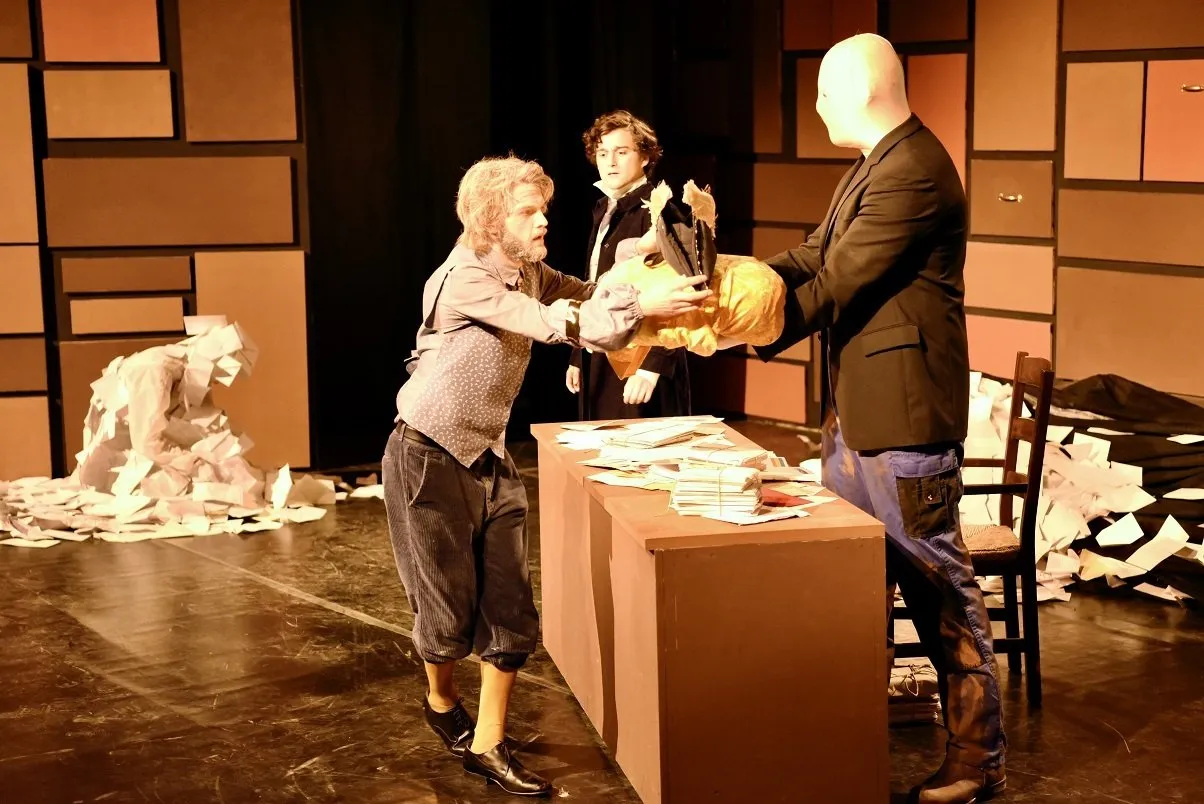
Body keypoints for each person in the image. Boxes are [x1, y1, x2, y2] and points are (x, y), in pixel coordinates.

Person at [383, 155, 709, 797]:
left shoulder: (528, 270)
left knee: (508, 604)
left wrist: (642, 255)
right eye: (528, 213)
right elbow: (556, 324)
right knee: (446, 612)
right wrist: (641, 301)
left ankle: (489, 743)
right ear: (489, 221)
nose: (542, 223)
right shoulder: (464, 279)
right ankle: (441, 701)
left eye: (543, 211)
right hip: (427, 455)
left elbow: (587, 296)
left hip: (488, 454)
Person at [749, 34, 1007, 804]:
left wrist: (742, 325)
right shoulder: (875, 164)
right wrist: (735, 280)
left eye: (824, 92)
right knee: (855, 588)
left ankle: (977, 761)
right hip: (860, 417)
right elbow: (812, 255)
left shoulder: (914, 171)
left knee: (939, 592)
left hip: (904, 423)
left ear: (860, 92)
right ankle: (856, 732)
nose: (816, 105)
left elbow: (837, 282)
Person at [566, 110, 692, 420]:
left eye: (622, 152)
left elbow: (681, 295)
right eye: (603, 153)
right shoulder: (605, 209)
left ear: (645, 157)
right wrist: (578, 353)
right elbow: (593, 285)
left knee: (639, 445)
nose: (610, 162)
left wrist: (651, 369)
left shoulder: (661, 212)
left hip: (640, 358)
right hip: (601, 349)